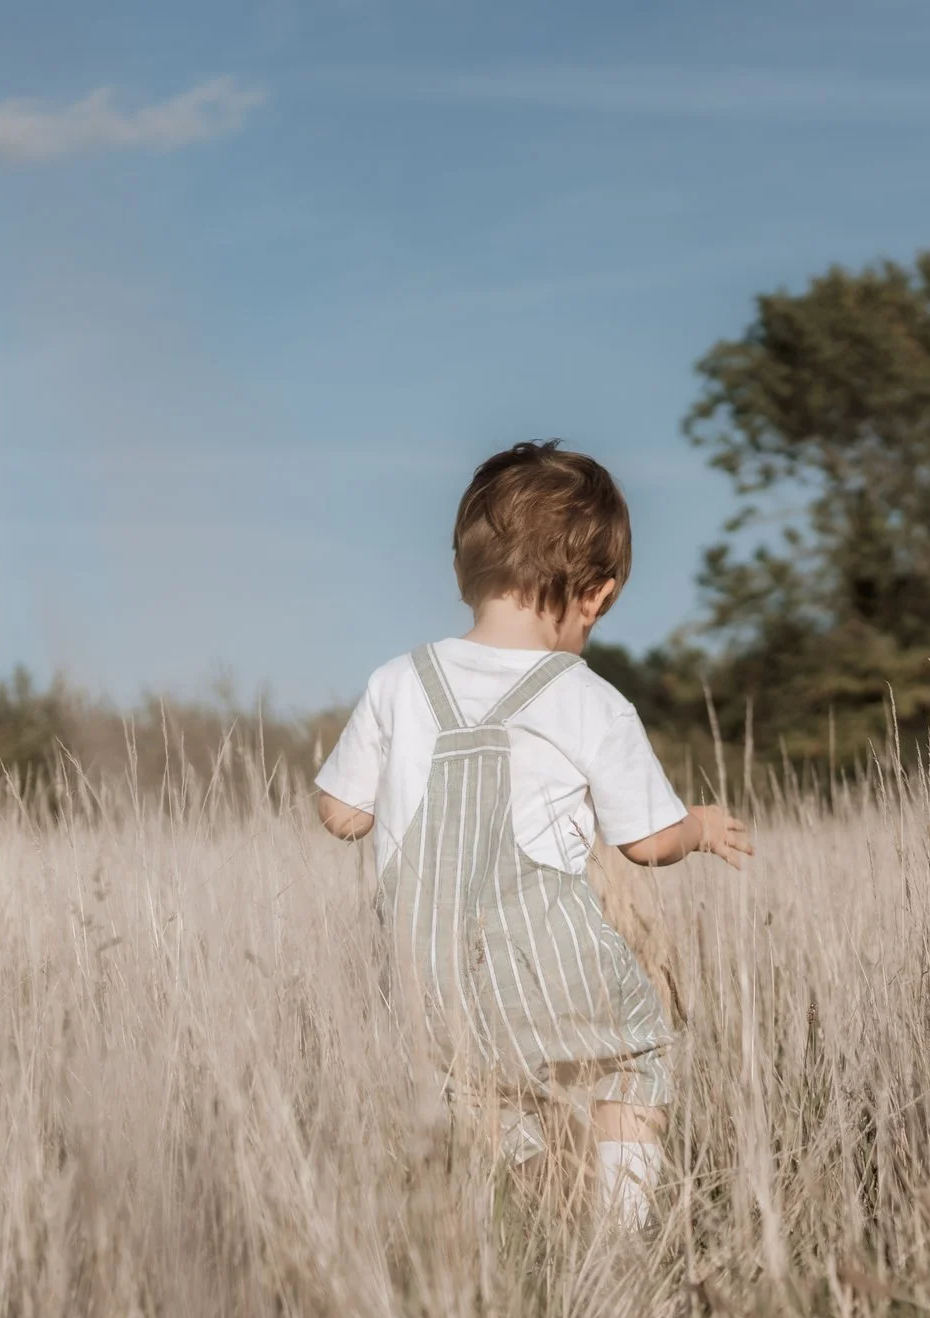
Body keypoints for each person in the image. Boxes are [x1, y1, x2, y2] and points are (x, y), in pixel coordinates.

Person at [312, 440, 752, 1229]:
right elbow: (647, 843)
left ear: (462, 572)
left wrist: (373, 805)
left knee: (486, 1098)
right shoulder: (588, 698)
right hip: (548, 959)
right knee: (633, 1059)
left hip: (425, 975)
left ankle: (558, 1222)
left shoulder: (397, 682)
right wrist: (700, 825)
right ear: (597, 596)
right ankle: (619, 1233)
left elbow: (342, 814)